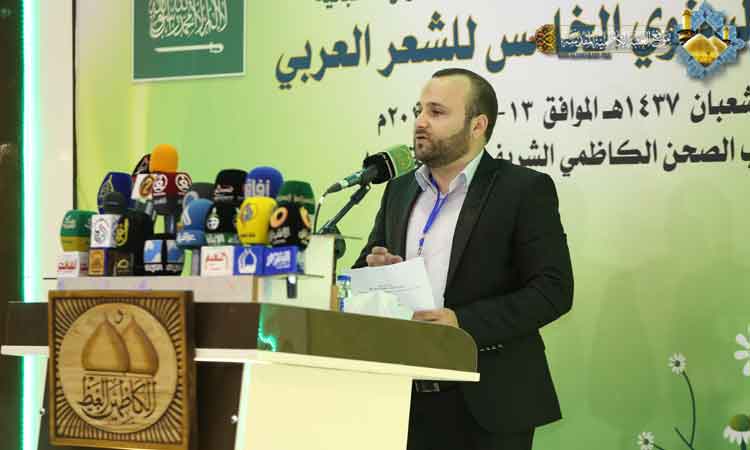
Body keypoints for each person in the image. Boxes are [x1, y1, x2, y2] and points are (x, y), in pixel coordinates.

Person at [353, 68, 574, 450]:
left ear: (477, 125)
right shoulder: (399, 190)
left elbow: (553, 290)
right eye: (419, 110)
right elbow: (363, 268)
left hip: (489, 401)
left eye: (437, 112)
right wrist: (376, 268)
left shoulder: (522, 189)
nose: (420, 122)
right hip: (404, 400)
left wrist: (462, 322)